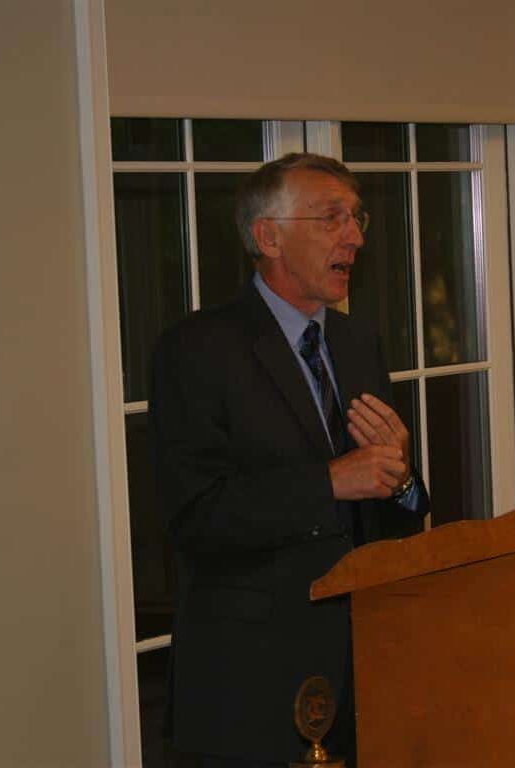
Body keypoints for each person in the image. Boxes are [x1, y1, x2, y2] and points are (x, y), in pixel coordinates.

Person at [150, 152, 429, 768]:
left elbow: (395, 509)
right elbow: (195, 518)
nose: (354, 236)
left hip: (362, 666)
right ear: (267, 235)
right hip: (250, 682)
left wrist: (403, 479)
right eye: (332, 218)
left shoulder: (358, 343)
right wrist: (331, 481)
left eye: (356, 218)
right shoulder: (197, 350)